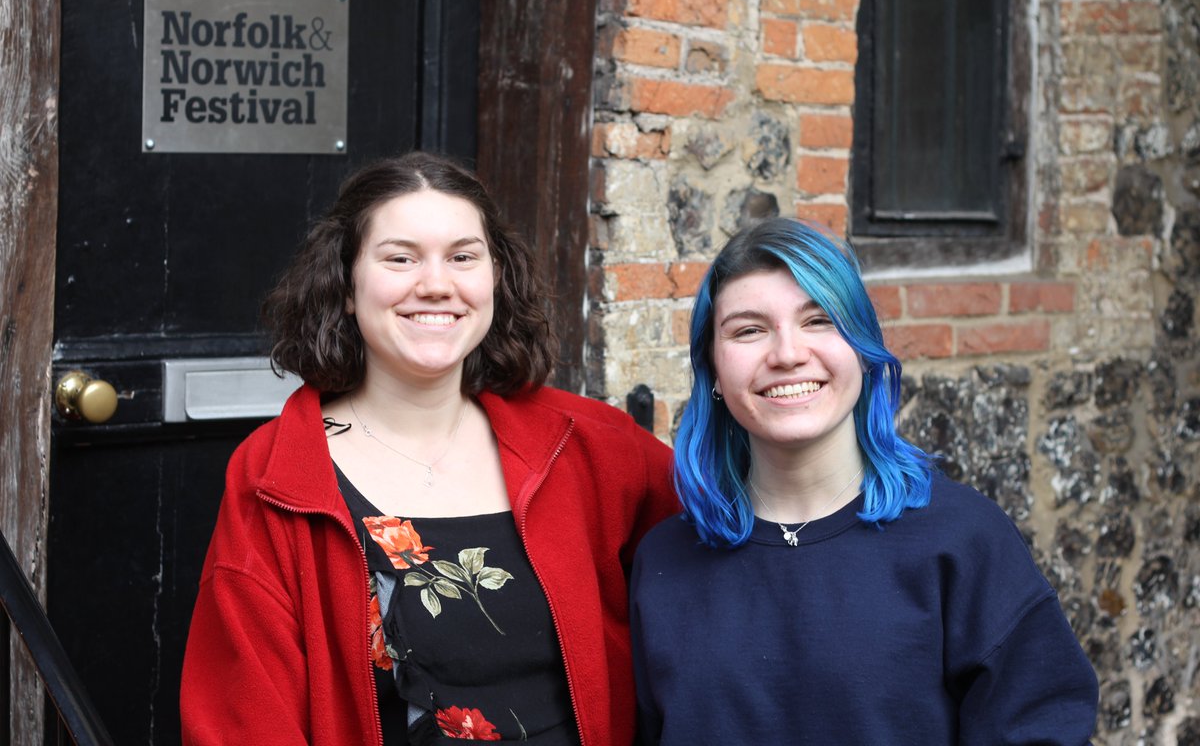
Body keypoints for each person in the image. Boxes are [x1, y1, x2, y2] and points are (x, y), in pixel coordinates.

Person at [180, 151, 677, 746]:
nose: (437, 285)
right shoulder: (278, 475)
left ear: (495, 278)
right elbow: (242, 719)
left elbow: (729, 552)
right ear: (345, 285)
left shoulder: (592, 446)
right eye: (401, 258)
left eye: (463, 257)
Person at [629, 218, 1099, 744]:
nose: (786, 354)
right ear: (714, 370)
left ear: (862, 348)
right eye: (749, 330)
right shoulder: (664, 562)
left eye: (819, 320)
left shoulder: (964, 543)